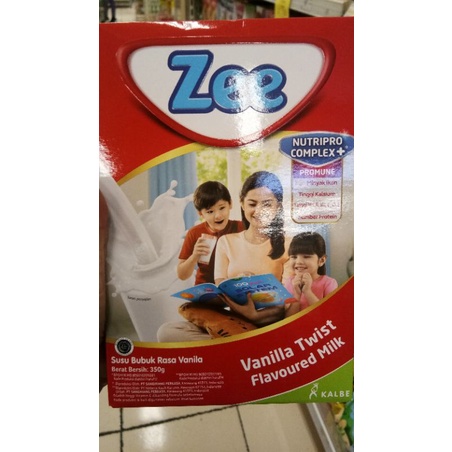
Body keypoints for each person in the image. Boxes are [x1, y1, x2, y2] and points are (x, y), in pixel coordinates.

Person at [214, 171, 291, 327]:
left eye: (267, 204)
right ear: (242, 204)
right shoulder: (226, 242)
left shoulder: (289, 245)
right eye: (252, 204)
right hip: (234, 321)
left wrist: (254, 316)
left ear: (278, 206)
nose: (259, 211)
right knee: (169, 330)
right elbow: (220, 286)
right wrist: (239, 283)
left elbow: (288, 301)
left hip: (271, 323)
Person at [177, 181, 244, 285]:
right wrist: (194, 256)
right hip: (206, 288)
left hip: (235, 286)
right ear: (200, 213)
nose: (218, 216)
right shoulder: (194, 233)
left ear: (230, 204)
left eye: (222, 208)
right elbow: (182, 275)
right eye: (210, 212)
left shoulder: (242, 228)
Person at [284, 231, 338, 318]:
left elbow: (327, 316)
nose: (298, 261)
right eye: (294, 257)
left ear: (321, 260)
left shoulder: (329, 283)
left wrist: (307, 292)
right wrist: (297, 296)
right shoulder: (289, 282)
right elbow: (288, 319)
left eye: (306, 256)